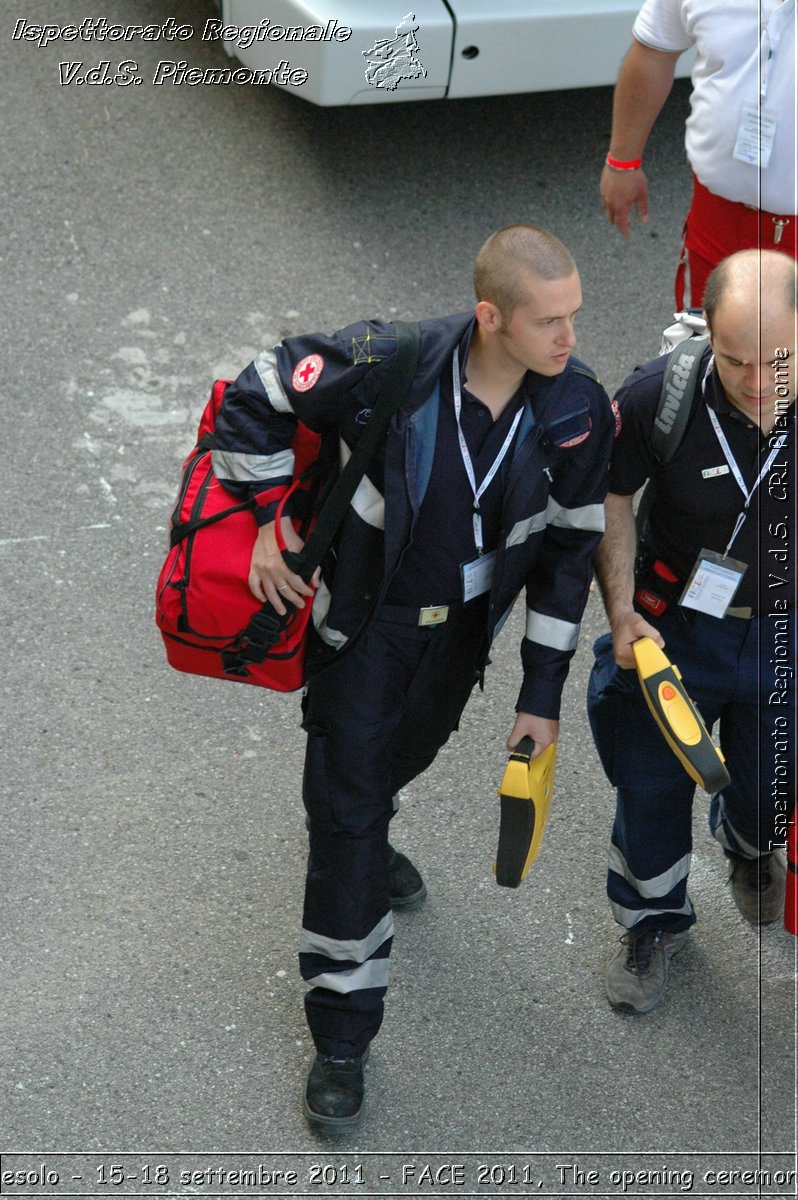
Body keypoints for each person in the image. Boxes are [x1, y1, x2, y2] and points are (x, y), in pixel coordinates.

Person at [211, 224, 616, 1128]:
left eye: (574, 316)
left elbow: (566, 557)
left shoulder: (576, 410)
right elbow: (262, 389)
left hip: (459, 643)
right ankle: (343, 1037)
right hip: (368, 633)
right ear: (490, 317)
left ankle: (363, 815)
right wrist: (262, 518)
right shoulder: (388, 362)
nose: (569, 338)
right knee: (347, 814)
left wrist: (539, 698)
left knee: (390, 768)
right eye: (549, 321)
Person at [587, 248, 796, 1015]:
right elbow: (608, 494)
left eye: (778, 360)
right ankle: (650, 923)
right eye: (735, 358)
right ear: (706, 329)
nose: (755, 382)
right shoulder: (657, 398)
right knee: (648, 786)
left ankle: (748, 845)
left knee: (775, 781)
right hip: (674, 631)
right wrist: (619, 611)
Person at [599, 0, 797, 307]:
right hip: (717, 220)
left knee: (783, 355)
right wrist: (622, 162)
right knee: (704, 345)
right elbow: (653, 52)